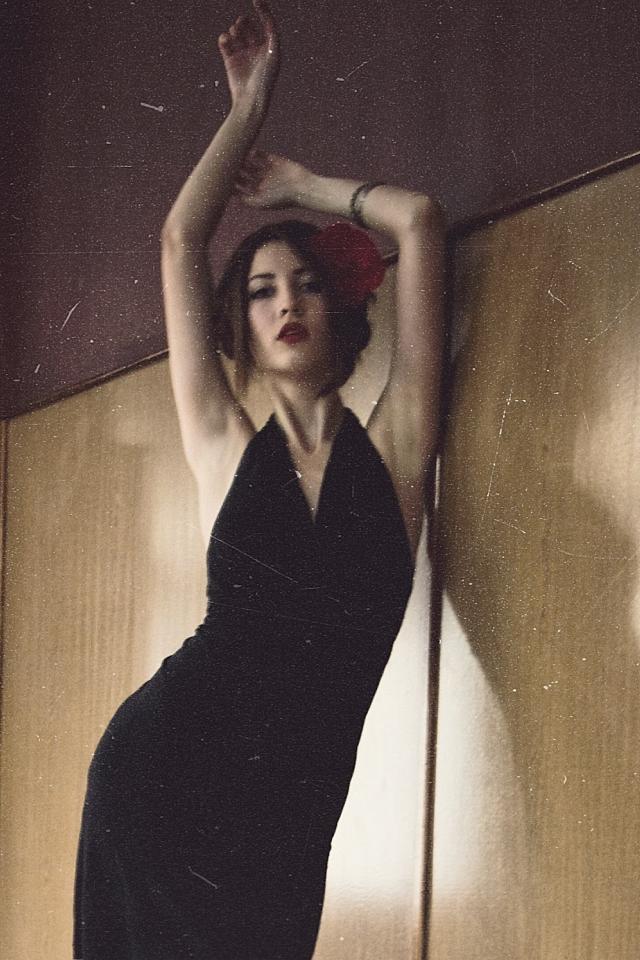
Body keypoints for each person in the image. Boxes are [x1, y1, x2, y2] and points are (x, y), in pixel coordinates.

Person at [73, 1, 444, 957]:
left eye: (306, 283)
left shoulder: (395, 448)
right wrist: (249, 106)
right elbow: (178, 243)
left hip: (286, 828)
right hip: (160, 778)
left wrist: (303, 188)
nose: (286, 303)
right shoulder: (224, 445)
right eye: (262, 291)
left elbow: (418, 221)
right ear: (239, 324)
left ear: (339, 311)